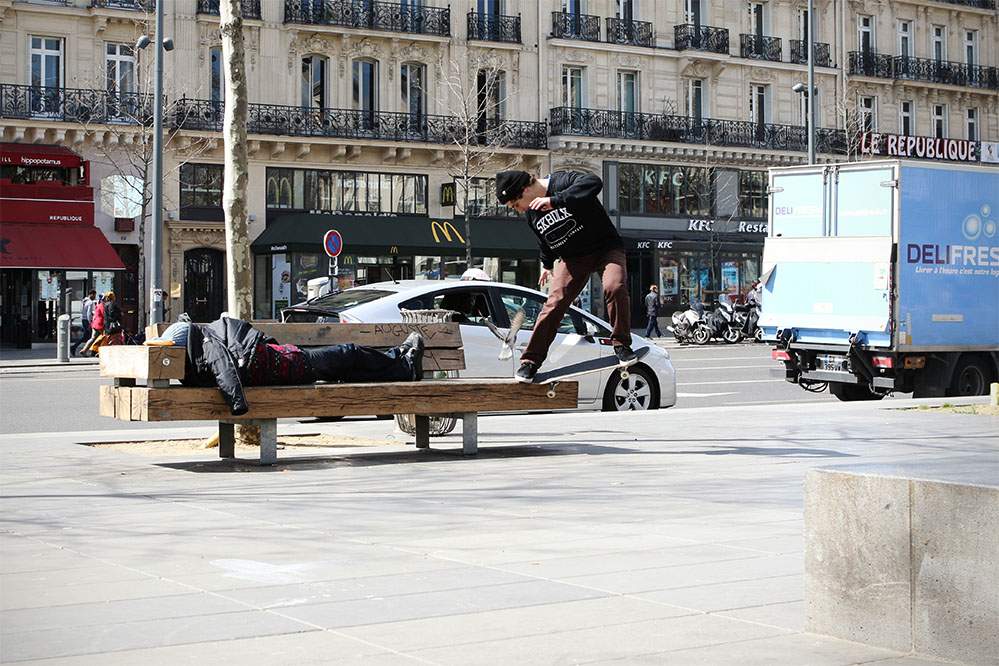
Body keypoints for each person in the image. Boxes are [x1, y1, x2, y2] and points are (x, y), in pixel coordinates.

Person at [496, 169, 635, 382]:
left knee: (614, 286)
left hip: (605, 248)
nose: (518, 210)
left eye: (516, 204)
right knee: (554, 303)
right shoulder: (531, 215)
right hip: (573, 259)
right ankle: (530, 361)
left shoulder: (563, 181)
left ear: (524, 190)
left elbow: (593, 182)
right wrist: (546, 264)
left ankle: (621, 344)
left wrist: (555, 200)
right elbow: (544, 241)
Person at [146, 316, 425, 416]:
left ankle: (400, 361)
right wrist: (237, 404)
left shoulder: (196, 361)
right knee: (347, 353)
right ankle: (403, 363)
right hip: (288, 365)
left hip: (282, 361)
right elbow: (225, 370)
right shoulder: (208, 346)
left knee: (344, 364)